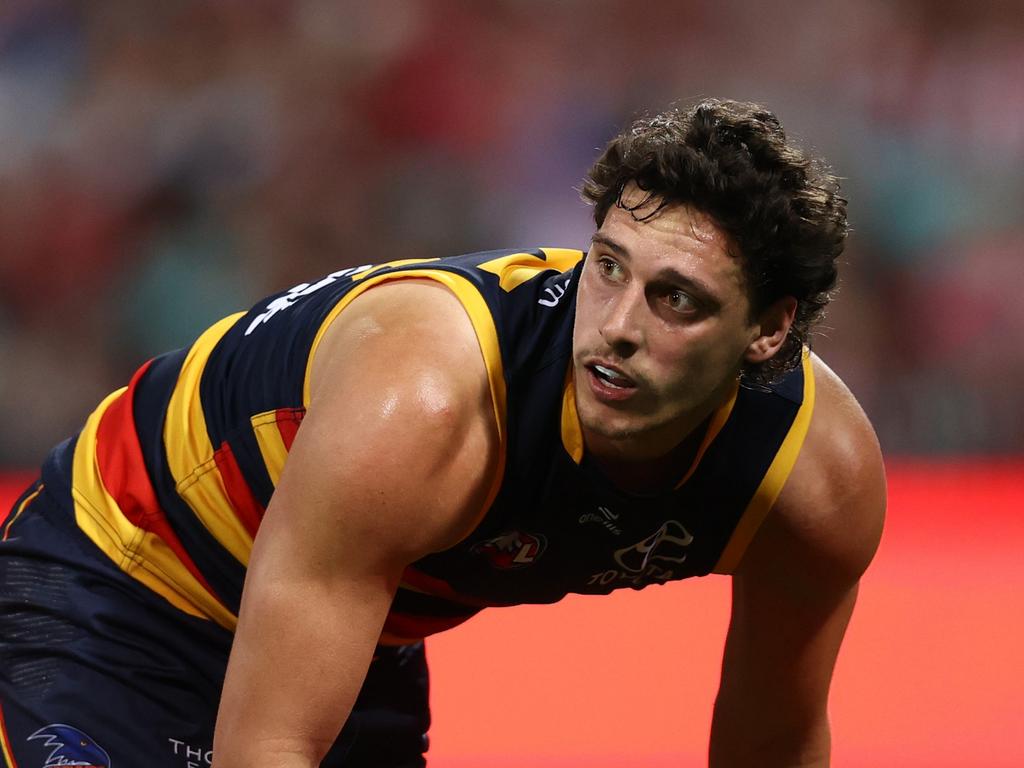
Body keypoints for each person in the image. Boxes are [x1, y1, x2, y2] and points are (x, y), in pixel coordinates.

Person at [0, 98, 885, 768]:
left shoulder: (813, 481)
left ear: (769, 329)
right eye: (606, 268)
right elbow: (265, 749)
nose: (615, 325)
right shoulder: (426, 404)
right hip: (123, 581)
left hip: (348, 624)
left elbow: (773, 743)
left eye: (677, 298)